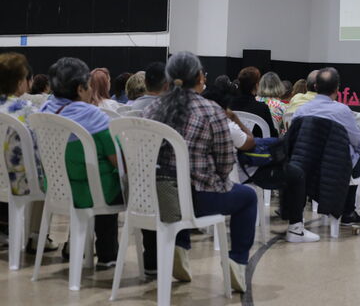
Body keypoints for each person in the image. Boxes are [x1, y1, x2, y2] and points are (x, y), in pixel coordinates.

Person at [143, 52, 257, 293]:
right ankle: (237, 261)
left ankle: (180, 247)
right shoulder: (210, 110)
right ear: (198, 77)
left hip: (153, 198)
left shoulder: (153, 109)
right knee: (247, 197)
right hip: (197, 199)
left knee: (176, 182)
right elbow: (226, 165)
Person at [41, 57, 123, 268]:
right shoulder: (94, 117)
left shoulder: (44, 112)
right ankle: (108, 256)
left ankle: (75, 244)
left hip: (56, 190)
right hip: (92, 194)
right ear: (80, 89)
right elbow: (117, 160)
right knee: (114, 184)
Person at [0, 53, 59, 254]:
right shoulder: (26, 109)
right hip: (17, 182)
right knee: (46, 174)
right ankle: (36, 236)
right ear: (19, 83)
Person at [294, 67, 360, 226]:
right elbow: (358, 143)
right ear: (337, 89)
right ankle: (348, 209)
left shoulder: (301, 111)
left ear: (315, 87)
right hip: (335, 169)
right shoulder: (342, 111)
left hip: (306, 166)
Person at [229, 67, 278, 138]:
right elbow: (272, 135)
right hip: (255, 147)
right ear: (257, 85)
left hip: (232, 146)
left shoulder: (228, 105)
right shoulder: (262, 109)